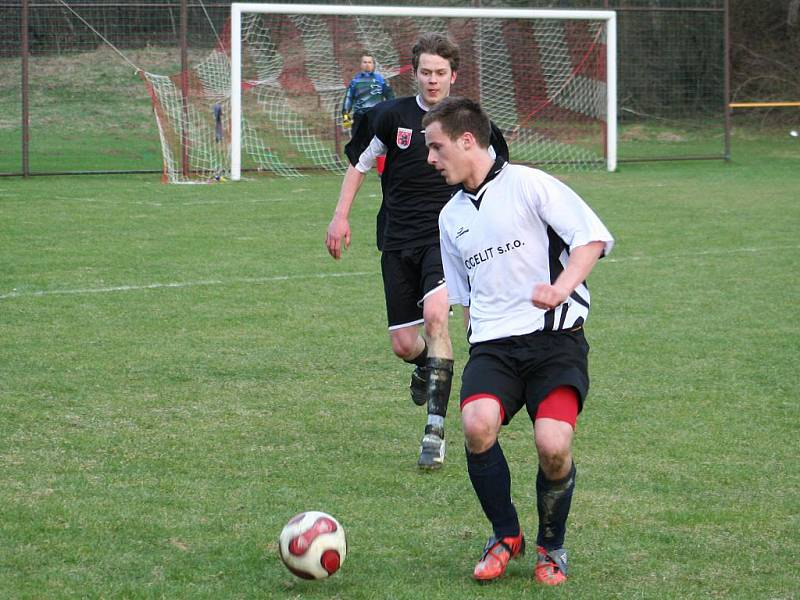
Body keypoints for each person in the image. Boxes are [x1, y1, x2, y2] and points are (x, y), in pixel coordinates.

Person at [423, 96, 614, 584]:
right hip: (495, 349)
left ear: (468, 141)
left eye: (437, 147)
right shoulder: (450, 217)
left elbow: (590, 239)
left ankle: (553, 545)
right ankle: (506, 534)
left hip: (555, 343)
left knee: (553, 445)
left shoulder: (529, 184)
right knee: (477, 424)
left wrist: (561, 289)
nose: (431, 158)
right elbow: (465, 295)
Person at [325, 34, 508, 470]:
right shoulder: (392, 116)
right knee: (405, 343)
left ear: (453, 76)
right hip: (396, 240)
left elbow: (499, 174)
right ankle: (429, 364)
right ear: (414, 73)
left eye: (440, 73)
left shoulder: (469, 123)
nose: (432, 80)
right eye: (425, 72)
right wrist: (340, 216)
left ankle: (435, 431)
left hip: (447, 241)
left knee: (436, 317)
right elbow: (359, 166)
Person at [341, 54, 395, 135]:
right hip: (360, 117)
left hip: (377, 117)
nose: (367, 64)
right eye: (365, 62)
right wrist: (345, 113)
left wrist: (390, 111)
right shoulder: (355, 81)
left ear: (373, 65)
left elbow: (389, 95)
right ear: (361, 65)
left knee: (378, 144)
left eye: (369, 62)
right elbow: (349, 97)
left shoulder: (380, 79)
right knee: (358, 145)